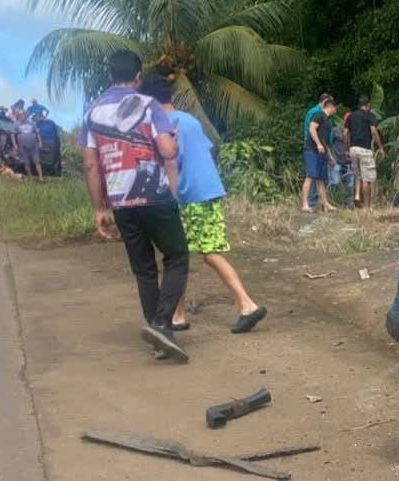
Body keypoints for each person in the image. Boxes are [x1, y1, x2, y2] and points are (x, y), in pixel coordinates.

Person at [137, 75, 268, 334]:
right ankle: (177, 315)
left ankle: (247, 305)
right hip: (207, 191)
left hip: (190, 196)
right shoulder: (190, 120)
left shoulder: (163, 125)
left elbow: (169, 162)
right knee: (181, 256)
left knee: (203, 254)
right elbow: (205, 151)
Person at [82, 51, 190, 363]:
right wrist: (173, 141)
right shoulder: (148, 104)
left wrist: (98, 208)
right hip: (154, 194)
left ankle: (159, 340)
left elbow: (91, 165)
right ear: (138, 77)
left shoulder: (92, 112)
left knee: (143, 269)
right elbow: (167, 151)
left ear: (109, 76)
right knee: (177, 256)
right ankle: (161, 324)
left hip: (121, 201)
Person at [344, 95, 384, 208]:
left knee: (358, 175)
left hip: (353, 149)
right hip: (365, 149)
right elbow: (373, 131)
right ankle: (367, 206)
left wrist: (346, 148)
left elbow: (345, 133)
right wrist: (380, 147)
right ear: (368, 104)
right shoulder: (369, 115)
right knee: (367, 178)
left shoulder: (350, 116)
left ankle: (357, 196)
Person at [301, 95, 338, 213]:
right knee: (310, 176)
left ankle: (325, 203)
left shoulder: (327, 120)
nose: (336, 110)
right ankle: (305, 204)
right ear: (330, 106)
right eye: (335, 107)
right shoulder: (318, 115)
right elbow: (311, 129)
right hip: (312, 150)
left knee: (320, 179)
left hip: (321, 152)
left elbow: (324, 140)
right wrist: (317, 144)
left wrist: (329, 155)